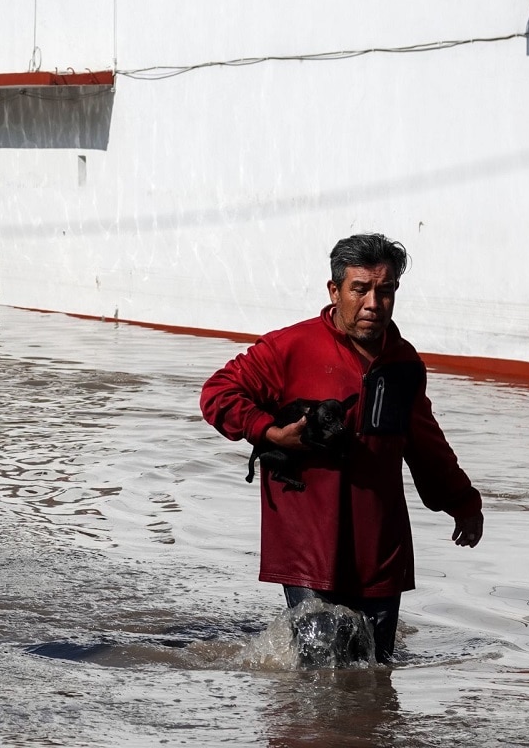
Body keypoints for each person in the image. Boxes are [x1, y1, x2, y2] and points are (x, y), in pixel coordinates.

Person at [199, 233, 483, 663]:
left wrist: (463, 502)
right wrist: (270, 433)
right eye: (360, 289)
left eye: (384, 290)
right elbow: (218, 393)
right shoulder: (289, 348)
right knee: (321, 672)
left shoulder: (404, 363)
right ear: (335, 291)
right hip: (307, 544)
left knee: (375, 672)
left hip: (380, 550)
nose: (373, 302)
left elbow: (426, 442)